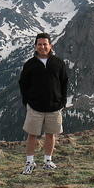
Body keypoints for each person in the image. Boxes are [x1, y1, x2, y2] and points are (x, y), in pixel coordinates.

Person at [18, 32, 69, 174]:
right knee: (32, 135)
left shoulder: (58, 63)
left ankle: (48, 160)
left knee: (51, 134)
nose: (42, 47)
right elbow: (23, 83)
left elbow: (64, 82)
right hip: (35, 107)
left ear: (50, 46)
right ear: (35, 46)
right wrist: (27, 101)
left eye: (45, 44)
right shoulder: (30, 64)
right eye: (39, 44)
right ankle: (29, 162)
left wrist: (63, 101)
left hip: (54, 106)